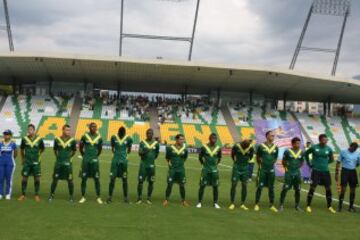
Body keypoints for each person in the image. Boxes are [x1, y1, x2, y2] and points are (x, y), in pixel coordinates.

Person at [305, 134, 336, 213]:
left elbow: (332, 159)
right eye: (324, 140)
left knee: (328, 188)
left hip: (325, 171)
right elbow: (306, 154)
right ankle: (308, 205)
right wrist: (309, 163)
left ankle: (329, 206)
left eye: (326, 140)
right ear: (320, 140)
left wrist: (325, 163)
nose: (326, 141)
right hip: (316, 171)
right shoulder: (314, 147)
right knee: (312, 187)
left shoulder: (329, 149)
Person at [48, 125, 76, 202]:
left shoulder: (72, 140)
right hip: (58, 163)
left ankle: (71, 196)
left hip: (68, 164)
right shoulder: (57, 140)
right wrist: (58, 157)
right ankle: (51, 194)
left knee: (70, 180)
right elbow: (55, 150)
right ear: (63, 130)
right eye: (67, 130)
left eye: (69, 130)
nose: (68, 132)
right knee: (55, 179)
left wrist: (68, 158)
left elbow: (74, 151)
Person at [18, 124, 45, 202]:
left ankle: (36, 195)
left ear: (34, 130)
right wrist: (23, 159)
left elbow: (42, 149)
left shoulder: (39, 139)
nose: (29, 131)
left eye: (31, 129)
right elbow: (22, 149)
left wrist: (38, 155)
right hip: (27, 162)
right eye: (28, 129)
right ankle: (23, 194)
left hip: (36, 162)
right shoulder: (24, 139)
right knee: (24, 179)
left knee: (37, 179)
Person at [254, 130, 279, 212]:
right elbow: (257, 157)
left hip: (271, 170)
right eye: (271, 135)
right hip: (263, 170)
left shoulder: (275, 147)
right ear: (267, 136)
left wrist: (272, 162)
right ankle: (256, 204)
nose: (273, 137)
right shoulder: (261, 146)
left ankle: (272, 205)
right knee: (260, 187)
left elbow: (275, 157)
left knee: (271, 188)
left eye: (273, 136)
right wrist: (261, 163)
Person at [107, 126, 133, 203]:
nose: (121, 134)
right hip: (115, 162)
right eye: (120, 133)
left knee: (124, 179)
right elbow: (112, 147)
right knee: (112, 179)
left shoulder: (129, 138)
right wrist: (117, 155)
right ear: (118, 132)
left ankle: (126, 198)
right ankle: (109, 197)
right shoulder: (113, 137)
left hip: (124, 162)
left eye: (123, 133)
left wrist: (124, 156)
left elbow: (129, 149)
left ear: (125, 133)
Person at [79, 122, 103, 204]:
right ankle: (83, 196)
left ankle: (98, 197)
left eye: (95, 127)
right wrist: (84, 155)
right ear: (89, 128)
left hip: (94, 161)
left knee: (96, 179)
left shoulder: (99, 138)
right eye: (93, 127)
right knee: (84, 179)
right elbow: (80, 147)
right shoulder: (85, 136)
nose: (94, 128)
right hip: (86, 161)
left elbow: (100, 149)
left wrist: (95, 156)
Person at [196, 133, 222, 209]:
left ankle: (215, 203)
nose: (214, 139)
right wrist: (203, 164)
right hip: (205, 170)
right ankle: (199, 202)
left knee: (215, 186)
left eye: (215, 138)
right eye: (213, 138)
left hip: (214, 170)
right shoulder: (204, 147)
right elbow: (200, 157)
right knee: (202, 186)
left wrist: (215, 166)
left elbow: (219, 158)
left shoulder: (218, 148)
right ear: (209, 138)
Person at [163, 134, 189, 207]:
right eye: (181, 139)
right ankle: (166, 199)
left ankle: (183, 201)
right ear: (176, 140)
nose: (182, 141)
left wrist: (180, 164)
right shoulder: (170, 148)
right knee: (169, 184)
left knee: (182, 185)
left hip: (181, 170)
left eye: (183, 139)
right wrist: (171, 165)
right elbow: (167, 157)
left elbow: (185, 158)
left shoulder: (184, 149)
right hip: (172, 170)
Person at [279, 137, 304, 211]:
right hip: (289, 173)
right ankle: (281, 205)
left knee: (298, 189)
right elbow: (283, 161)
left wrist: (297, 167)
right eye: (297, 143)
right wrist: (288, 167)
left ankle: (297, 206)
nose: (298, 144)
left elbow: (302, 161)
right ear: (292, 144)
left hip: (297, 173)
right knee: (285, 188)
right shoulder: (287, 151)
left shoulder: (301, 152)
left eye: (299, 143)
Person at [229, 138, 254, 210]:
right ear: (242, 144)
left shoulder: (251, 148)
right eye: (244, 146)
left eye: (246, 147)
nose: (245, 148)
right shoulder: (236, 147)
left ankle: (242, 203)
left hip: (245, 168)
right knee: (234, 184)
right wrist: (235, 162)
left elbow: (251, 157)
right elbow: (232, 155)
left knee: (244, 185)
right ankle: (232, 203)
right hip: (237, 167)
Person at [136, 128, 160, 204]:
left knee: (151, 182)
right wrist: (144, 152)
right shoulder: (142, 143)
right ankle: (139, 198)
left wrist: (151, 159)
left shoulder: (156, 144)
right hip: (143, 165)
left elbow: (156, 154)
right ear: (146, 134)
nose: (149, 134)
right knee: (140, 182)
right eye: (148, 133)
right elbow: (139, 153)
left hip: (152, 166)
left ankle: (149, 198)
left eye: (151, 133)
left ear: (152, 134)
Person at [336, 142, 360, 212]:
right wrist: (336, 173)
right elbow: (338, 162)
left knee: (353, 189)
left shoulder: (357, 153)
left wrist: (354, 166)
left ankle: (351, 207)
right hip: (345, 171)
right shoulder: (343, 151)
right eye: (353, 148)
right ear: (350, 146)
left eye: (355, 149)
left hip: (353, 172)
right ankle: (340, 206)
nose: (354, 150)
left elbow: (358, 162)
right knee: (343, 189)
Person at [0, 130, 17, 200]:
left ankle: (8, 194)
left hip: (10, 164)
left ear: (10, 136)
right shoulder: (0, 144)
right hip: (1, 163)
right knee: (0, 179)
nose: (6, 136)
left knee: (8, 179)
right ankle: (0, 193)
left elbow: (16, 153)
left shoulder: (13, 144)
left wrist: (11, 159)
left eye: (7, 134)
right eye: (5, 134)